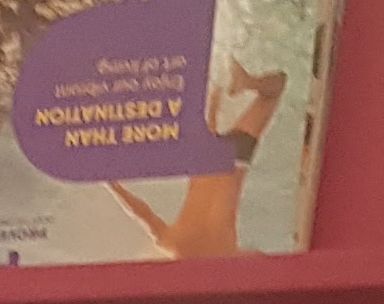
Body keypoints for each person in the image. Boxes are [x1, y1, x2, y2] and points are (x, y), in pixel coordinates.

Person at [106, 64, 287, 258]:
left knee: (273, 92)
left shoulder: (222, 256)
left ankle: (243, 83)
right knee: (213, 118)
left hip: (235, 162)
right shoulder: (172, 244)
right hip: (206, 160)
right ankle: (234, 85)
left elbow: (256, 256)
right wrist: (113, 185)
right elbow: (141, 213)